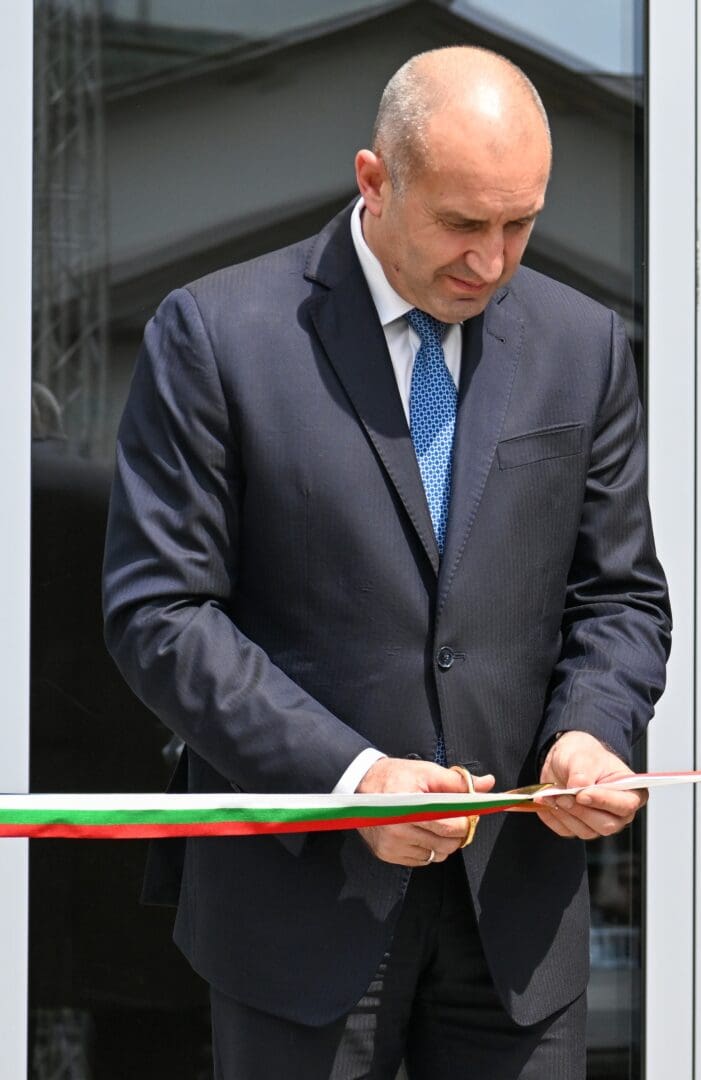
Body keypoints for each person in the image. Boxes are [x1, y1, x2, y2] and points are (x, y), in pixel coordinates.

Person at [102, 46, 671, 1077]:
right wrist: (351, 778)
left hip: (519, 921)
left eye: (520, 223)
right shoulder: (218, 335)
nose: (492, 261)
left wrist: (594, 727)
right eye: (462, 223)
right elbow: (161, 614)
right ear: (375, 181)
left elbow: (620, 596)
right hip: (301, 907)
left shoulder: (586, 347)